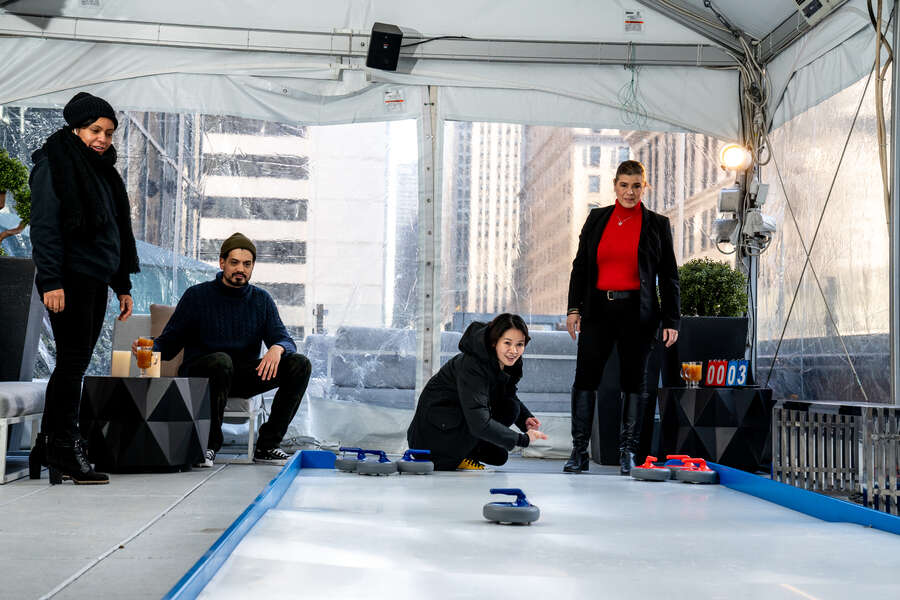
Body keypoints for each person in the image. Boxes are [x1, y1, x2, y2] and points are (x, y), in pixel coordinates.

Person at [28, 92, 140, 485]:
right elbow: (43, 227)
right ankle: (63, 445)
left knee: (72, 364)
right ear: (75, 128)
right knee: (73, 362)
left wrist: (122, 284)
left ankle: (49, 442)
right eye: (95, 130)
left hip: (95, 278)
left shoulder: (102, 171)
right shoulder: (53, 164)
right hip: (70, 278)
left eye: (109, 133)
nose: (103, 139)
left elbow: (114, 232)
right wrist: (52, 281)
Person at [145, 233, 311, 467]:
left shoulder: (261, 300)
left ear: (252, 267)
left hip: (240, 375)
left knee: (300, 364)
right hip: (202, 372)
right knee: (222, 361)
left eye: (247, 264)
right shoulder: (197, 296)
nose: (240, 269)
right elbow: (170, 344)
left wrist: (277, 347)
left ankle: (267, 445)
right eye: (234, 263)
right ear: (222, 263)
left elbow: (284, 338)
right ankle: (209, 445)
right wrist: (150, 347)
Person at [564, 160, 680, 475]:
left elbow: (669, 276)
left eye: (636, 186)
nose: (630, 192)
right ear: (615, 185)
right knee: (585, 378)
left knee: (635, 381)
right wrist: (574, 308)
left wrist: (672, 320)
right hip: (598, 310)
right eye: (624, 185)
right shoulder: (597, 218)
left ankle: (628, 453)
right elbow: (581, 266)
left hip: (637, 312)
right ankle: (579, 453)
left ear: (645, 187)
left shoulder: (657, 224)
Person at [407, 313, 548, 471]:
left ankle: (462, 454)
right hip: (432, 436)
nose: (513, 351)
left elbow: (507, 394)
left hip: (457, 423)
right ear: (495, 342)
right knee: (497, 426)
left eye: (519, 344)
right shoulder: (472, 365)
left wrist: (525, 419)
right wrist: (522, 440)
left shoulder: (506, 360)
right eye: (507, 343)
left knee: (500, 450)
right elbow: (479, 422)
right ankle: (449, 458)